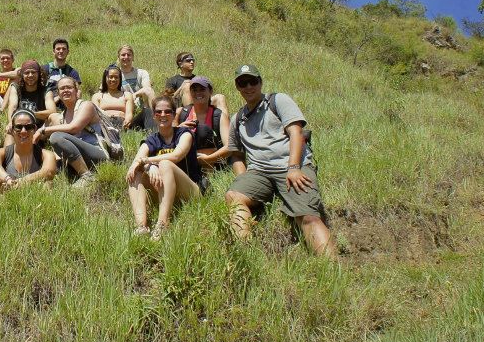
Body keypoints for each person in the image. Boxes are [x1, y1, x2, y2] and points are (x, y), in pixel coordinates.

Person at [224, 64, 334, 257]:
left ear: (260, 82)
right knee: (233, 196)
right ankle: (247, 256)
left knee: (307, 217)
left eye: (253, 81)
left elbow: (296, 132)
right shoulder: (237, 119)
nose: (248, 87)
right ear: (237, 87)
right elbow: (236, 154)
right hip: (259, 172)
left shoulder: (278, 101)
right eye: (243, 83)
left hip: (291, 166)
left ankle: (333, 271)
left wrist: (293, 167)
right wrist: (243, 178)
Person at [126, 96, 201, 240]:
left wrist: (148, 162)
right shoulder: (152, 140)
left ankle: (163, 224)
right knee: (135, 172)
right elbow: (137, 160)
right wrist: (148, 167)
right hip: (164, 191)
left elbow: (176, 156)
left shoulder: (184, 134)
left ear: (174, 115)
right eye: (158, 112)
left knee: (166, 164)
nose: (163, 115)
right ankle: (141, 226)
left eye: (167, 111)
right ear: (153, 115)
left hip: (190, 190)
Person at [35, 76, 108, 188]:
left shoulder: (86, 105)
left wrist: (44, 130)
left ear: (76, 90)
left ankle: (87, 176)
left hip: (97, 154)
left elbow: (74, 128)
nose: (66, 91)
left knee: (56, 137)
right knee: (51, 164)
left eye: (69, 87)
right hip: (77, 157)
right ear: (58, 94)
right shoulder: (62, 116)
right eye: (62, 88)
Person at [0, 110, 58, 202]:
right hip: (8, 194)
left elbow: (49, 172)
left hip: (34, 196)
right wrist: (8, 180)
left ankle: (41, 215)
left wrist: (22, 182)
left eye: (28, 127)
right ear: (12, 129)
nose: (23, 131)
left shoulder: (46, 154)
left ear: (34, 129)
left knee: (47, 184)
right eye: (18, 127)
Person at [175, 76, 232, 178]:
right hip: (186, 160)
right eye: (194, 90)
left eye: (202, 89)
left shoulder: (219, 116)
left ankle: (207, 180)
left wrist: (208, 159)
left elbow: (229, 147)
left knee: (203, 130)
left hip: (212, 162)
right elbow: (167, 140)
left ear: (210, 91)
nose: (198, 93)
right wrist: (179, 129)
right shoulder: (181, 113)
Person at [3, 59, 57, 145]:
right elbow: (12, 106)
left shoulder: (46, 90)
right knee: (10, 133)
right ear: (22, 75)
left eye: (33, 72)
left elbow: (52, 111)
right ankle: (7, 157)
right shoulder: (16, 88)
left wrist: (29, 113)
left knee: (54, 117)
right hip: (20, 127)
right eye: (27, 73)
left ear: (39, 74)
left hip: (39, 129)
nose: (30, 75)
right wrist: (10, 122)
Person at [116, 44, 156, 130]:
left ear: (133, 57)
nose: (126, 57)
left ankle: (156, 119)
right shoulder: (114, 74)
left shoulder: (141, 73)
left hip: (141, 109)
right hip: (124, 108)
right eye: (123, 55)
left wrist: (134, 95)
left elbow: (147, 88)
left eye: (129, 55)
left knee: (149, 91)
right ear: (118, 57)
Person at [91, 64, 133, 130]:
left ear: (120, 79)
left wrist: (127, 121)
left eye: (116, 77)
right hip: (104, 124)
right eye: (110, 77)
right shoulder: (97, 96)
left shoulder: (127, 95)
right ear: (105, 78)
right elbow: (96, 115)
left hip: (122, 123)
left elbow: (129, 113)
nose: (113, 80)